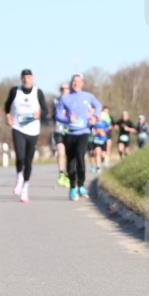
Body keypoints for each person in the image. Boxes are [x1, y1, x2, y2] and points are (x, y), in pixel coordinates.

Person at [55, 73, 102, 201]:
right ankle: (72, 188)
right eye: (74, 81)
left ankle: (81, 185)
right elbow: (58, 114)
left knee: (80, 157)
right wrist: (67, 119)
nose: (76, 83)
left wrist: (95, 116)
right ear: (71, 83)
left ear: (82, 83)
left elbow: (98, 106)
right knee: (71, 161)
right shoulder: (65, 98)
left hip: (84, 131)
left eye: (78, 81)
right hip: (69, 133)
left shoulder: (88, 96)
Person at [5, 69, 47, 203]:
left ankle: (25, 188)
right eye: (24, 78)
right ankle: (19, 177)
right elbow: (7, 105)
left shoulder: (38, 92)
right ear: (21, 79)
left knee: (28, 160)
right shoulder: (14, 91)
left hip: (33, 130)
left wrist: (39, 115)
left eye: (28, 77)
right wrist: (8, 115)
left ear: (32, 78)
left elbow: (45, 110)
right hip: (18, 127)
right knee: (20, 156)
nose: (26, 80)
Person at [52, 83, 70, 187]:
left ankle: (68, 173)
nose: (64, 90)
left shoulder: (73, 100)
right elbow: (53, 115)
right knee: (61, 152)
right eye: (62, 89)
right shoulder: (56, 101)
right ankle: (61, 173)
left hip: (71, 131)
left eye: (66, 88)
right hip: (59, 130)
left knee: (70, 155)